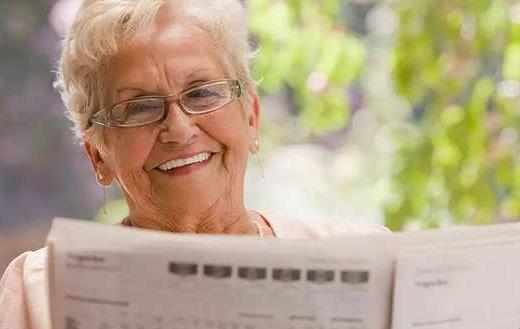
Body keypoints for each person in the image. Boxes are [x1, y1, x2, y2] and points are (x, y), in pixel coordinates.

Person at [0, 1, 389, 328]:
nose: (179, 128)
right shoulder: (42, 292)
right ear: (98, 154)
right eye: (139, 108)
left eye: (202, 93)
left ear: (251, 116)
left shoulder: (368, 262)